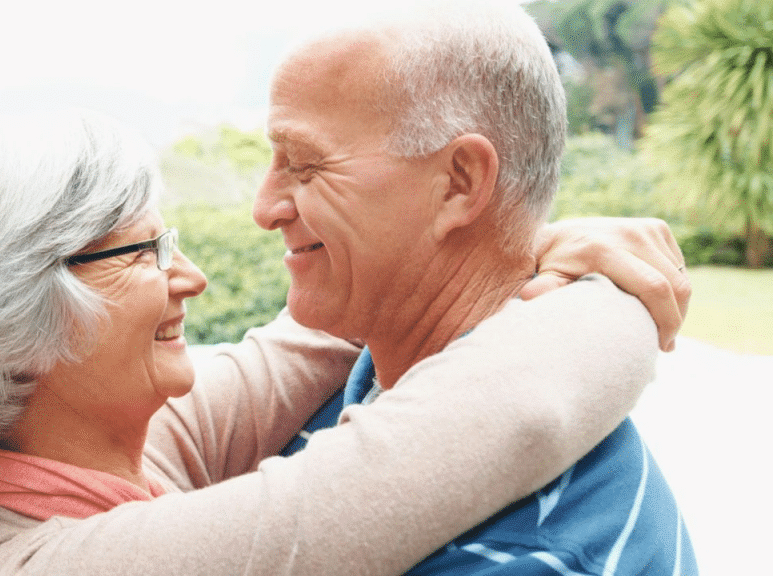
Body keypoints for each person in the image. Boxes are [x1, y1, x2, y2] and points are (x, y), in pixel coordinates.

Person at [0, 107, 684, 576]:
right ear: (8, 317)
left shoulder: (85, 458)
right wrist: (623, 291)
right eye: (145, 253)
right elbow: (513, 417)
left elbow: (314, 335)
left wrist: (518, 239)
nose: (192, 278)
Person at [258, 2, 696, 574]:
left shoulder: (530, 557)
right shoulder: (341, 386)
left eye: (306, 164)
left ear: (459, 184)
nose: (264, 209)